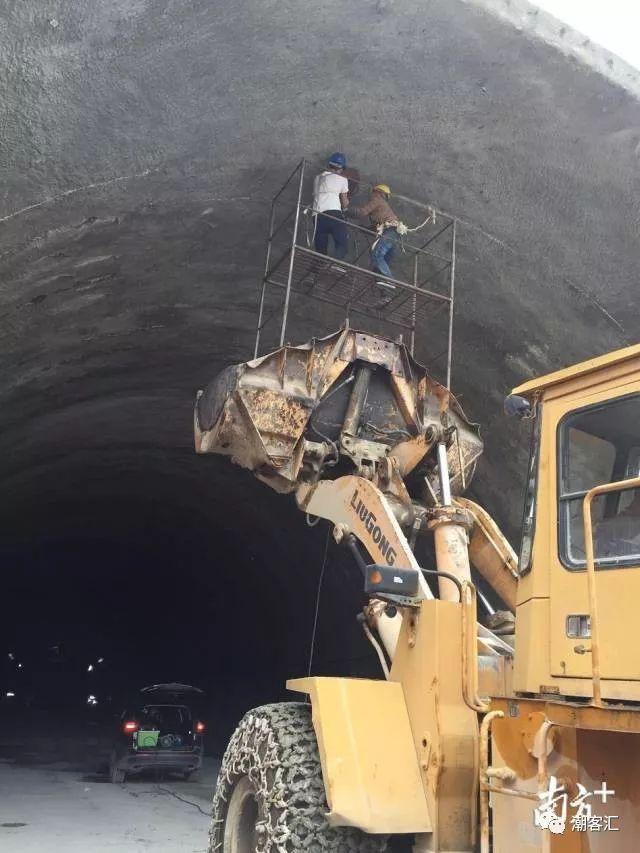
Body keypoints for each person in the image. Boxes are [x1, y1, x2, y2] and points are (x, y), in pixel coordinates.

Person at [351, 183, 400, 292]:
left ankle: (390, 282)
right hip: (393, 234)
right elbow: (375, 228)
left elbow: (362, 212)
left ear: (379, 192)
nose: (372, 195)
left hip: (389, 231)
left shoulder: (378, 199)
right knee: (378, 267)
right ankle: (386, 294)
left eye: (373, 192)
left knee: (377, 255)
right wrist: (363, 228)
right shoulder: (383, 209)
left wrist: (346, 210)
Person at [312, 153, 349, 261]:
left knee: (321, 250)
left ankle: (319, 268)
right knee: (342, 245)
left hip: (316, 215)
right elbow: (345, 202)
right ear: (341, 168)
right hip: (333, 214)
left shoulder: (318, 178)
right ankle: (332, 265)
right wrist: (346, 209)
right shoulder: (342, 179)